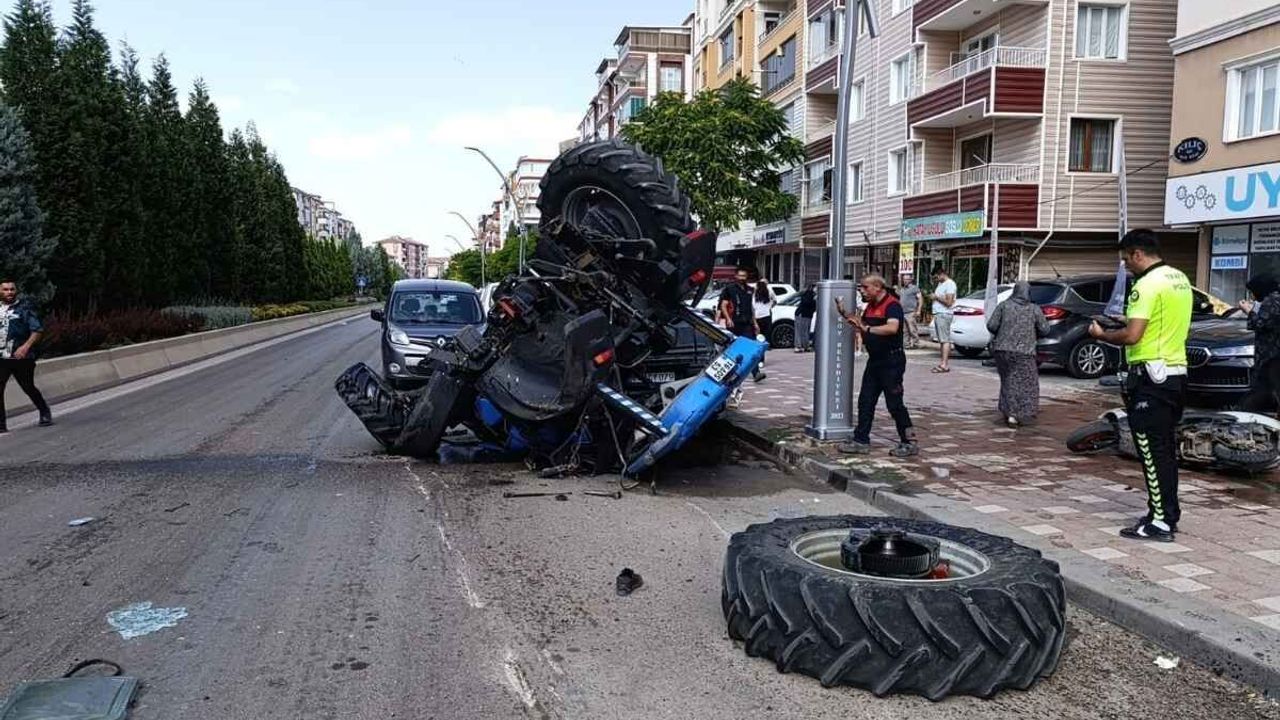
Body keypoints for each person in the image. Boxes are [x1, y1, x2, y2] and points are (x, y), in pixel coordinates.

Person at [1088, 229, 1192, 542]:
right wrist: (1127, 320)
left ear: (1138, 253)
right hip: (1175, 374)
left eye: (1126, 260)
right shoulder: (1179, 279)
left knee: (1151, 451)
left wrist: (1102, 335)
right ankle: (1166, 514)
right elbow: (1157, 322)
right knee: (1165, 450)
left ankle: (1160, 522)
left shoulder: (1145, 285)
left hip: (1151, 376)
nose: (1126, 266)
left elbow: (1133, 336)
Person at [836, 274, 917, 458]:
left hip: (892, 361)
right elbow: (861, 324)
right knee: (866, 401)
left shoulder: (892, 305)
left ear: (878, 287)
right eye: (861, 287)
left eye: (865, 287)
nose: (862, 291)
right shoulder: (870, 306)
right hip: (875, 361)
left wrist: (867, 329)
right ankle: (861, 440)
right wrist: (845, 314)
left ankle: (909, 442)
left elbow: (892, 328)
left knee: (894, 403)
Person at [987, 281, 1049, 427]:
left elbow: (991, 325)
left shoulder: (1003, 306)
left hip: (1002, 351)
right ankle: (1016, 414)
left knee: (1008, 381)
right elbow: (1045, 329)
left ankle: (1008, 411)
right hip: (1025, 352)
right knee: (1027, 383)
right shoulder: (1034, 309)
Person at [0, 279, 53, 432]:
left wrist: (25, 347)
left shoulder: (24, 309)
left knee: (28, 387)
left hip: (21, 357)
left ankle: (44, 411)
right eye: (5, 289)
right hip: (2, 357)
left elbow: (37, 330)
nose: (9, 292)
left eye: (12, 289)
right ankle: (1, 424)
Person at [717, 267, 766, 383]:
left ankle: (756, 373)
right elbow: (723, 305)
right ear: (736, 276)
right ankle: (727, 374)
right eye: (740, 276)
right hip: (734, 323)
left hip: (747, 323)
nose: (742, 278)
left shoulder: (750, 290)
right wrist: (728, 318)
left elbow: (751, 308)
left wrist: (755, 323)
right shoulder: (729, 289)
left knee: (751, 348)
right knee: (732, 350)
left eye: (744, 276)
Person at [1241, 274, 1280, 414]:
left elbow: (1260, 323)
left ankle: (1248, 413)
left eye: (1253, 292)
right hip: (1273, 354)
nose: (1252, 296)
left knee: (1266, 386)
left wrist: (1248, 311)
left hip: (1271, 354)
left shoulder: (1272, 301)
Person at [929, 266, 957, 373]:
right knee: (941, 339)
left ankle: (944, 364)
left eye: (936, 277)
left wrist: (936, 297)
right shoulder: (941, 284)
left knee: (945, 340)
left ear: (941, 274)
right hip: (939, 313)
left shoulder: (950, 284)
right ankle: (942, 362)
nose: (936, 280)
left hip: (944, 314)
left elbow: (949, 302)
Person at [898, 272, 923, 350]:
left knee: (912, 329)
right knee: (904, 330)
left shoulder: (914, 288)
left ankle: (916, 344)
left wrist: (919, 310)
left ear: (910, 280)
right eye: (904, 279)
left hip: (911, 312)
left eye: (907, 279)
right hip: (903, 312)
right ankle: (906, 345)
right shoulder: (902, 289)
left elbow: (920, 299)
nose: (905, 281)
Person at [753, 279, 777, 349]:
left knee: (759, 331)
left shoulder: (755, 293)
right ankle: (767, 344)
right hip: (766, 314)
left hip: (758, 315)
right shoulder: (769, 291)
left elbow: (753, 306)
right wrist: (770, 307)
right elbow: (775, 301)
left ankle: (759, 344)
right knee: (767, 331)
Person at [794, 283, 817, 353]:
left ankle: (805, 345)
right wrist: (814, 300)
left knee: (805, 331)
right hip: (802, 314)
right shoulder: (808, 294)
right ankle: (799, 346)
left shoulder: (812, 295)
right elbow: (806, 303)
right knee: (801, 331)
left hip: (807, 315)